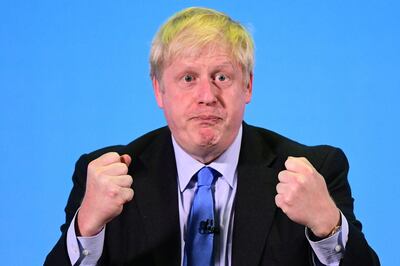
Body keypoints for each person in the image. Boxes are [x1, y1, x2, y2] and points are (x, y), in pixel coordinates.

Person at [45, 7, 379, 266]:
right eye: (188, 78)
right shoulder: (107, 174)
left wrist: (328, 227)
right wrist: (87, 227)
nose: (207, 95)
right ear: (159, 90)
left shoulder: (315, 171)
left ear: (247, 86)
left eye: (222, 76)